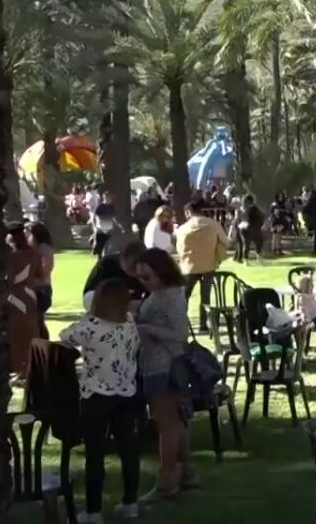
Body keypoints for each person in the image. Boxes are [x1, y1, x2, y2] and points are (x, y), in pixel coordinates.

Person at [60, 278, 141, 521]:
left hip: (96, 395)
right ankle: (130, 503)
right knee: (128, 450)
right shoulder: (129, 322)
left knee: (95, 454)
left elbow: (66, 335)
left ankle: (94, 510)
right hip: (126, 393)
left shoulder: (91, 327)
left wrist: (86, 318)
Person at [134, 249, 195, 501]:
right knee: (175, 422)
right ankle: (186, 472)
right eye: (140, 277)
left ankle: (167, 479)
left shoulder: (169, 296)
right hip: (159, 364)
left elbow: (180, 335)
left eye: (147, 276)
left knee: (166, 425)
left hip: (163, 366)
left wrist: (147, 328)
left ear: (161, 271)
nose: (143, 282)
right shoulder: (164, 293)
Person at [175, 201, 230, 333]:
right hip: (208, 265)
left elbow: (178, 247)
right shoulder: (213, 224)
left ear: (188, 212)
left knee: (184, 297)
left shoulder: (182, 228)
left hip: (189, 267)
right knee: (205, 297)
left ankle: (181, 324)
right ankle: (203, 325)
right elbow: (226, 243)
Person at [7, 223, 43, 377]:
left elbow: (9, 279)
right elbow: (40, 274)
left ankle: (20, 368)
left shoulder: (11, 255)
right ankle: (32, 366)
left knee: (16, 333)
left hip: (14, 296)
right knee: (31, 330)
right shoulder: (34, 253)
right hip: (30, 295)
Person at [83, 241, 148, 306]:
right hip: (104, 302)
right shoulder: (107, 264)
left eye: (141, 263)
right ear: (125, 257)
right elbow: (90, 294)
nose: (137, 267)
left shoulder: (143, 273)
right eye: (135, 262)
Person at [27, 222, 54, 323]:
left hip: (40, 290)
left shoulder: (43, 249)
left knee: (37, 322)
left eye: (27, 232)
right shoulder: (33, 249)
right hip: (33, 290)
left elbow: (44, 272)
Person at [231, 195, 265, 263]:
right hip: (245, 227)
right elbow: (262, 216)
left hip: (242, 227)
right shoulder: (247, 209)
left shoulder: (243, 209)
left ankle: (241, 258)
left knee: (244, 244)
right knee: (246, 244)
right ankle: (242, 258)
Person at [90, 191, 118, 257]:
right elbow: (94, 217)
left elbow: (113, 218)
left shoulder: (111, 207)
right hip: (101, 228)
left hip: (108, 229)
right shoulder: (100, 206)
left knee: (107, 245)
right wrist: (95, 227)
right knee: (99, 245)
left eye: (108, 197)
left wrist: (116, 225)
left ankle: (103, 256)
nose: (108, 198)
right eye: (106, 196)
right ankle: (98, 254)